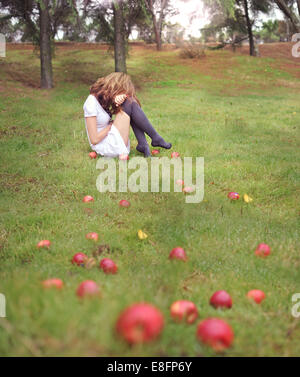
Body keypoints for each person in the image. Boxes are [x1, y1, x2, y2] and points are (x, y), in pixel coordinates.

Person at [83, 72, 172, 158]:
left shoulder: (103, 99)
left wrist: (118, 100)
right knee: (129, 102)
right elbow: (94, 140)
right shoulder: (91, 102)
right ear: (115, 88)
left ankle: (144, 144)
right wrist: (110, 126)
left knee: (130, 102)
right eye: (119, 92)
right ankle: (151, 140)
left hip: (113, 138)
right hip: (106, 145)